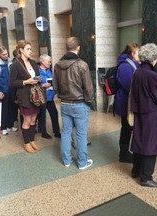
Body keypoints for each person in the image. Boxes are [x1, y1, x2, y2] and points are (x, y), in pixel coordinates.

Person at [130, 43, 157, 187]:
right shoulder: (152, 75)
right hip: (151, 114)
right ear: (153, 58)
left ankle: (136, 170)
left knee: (139, 141)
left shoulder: (137, 72)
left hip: (139, 111)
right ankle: (146, 177)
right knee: (151, 144)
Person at [54, 37, 94, 169]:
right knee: (81, 134)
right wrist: (89, 102)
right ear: (78, 47)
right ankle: (82, 163)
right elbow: (88, 88)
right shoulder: (82, 65)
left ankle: (66, 161)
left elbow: (55, 86)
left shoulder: (57, 65)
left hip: (64, 103)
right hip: (80, 103)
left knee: (65, 132)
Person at [10, 40, 42, 153]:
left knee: (34, 119)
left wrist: (38, 79)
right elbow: (13, 82)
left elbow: (38, 76)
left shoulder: (33, 62)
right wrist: (26, 81)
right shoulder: (16, 65)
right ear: (21, 50)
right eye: (28, 49)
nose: (30, 51)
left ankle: (32, 140)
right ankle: (26, 143)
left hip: (35, 95)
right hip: (24, 96)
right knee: (27, 120)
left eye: (30, 49)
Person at [114, 43, 140, 163]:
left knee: (129, 128)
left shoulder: (133, 64)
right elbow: (129, 85)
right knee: (126, 128)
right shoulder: (125, 66)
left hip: (130, 102)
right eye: (138, 52)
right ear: (132, 53)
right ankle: (123, 154)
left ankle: (127, 152)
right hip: (126, 103)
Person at [0, 46, 18, 135]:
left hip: (12, 89)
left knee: (13, 108)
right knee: (4, 109)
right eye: (4, 54)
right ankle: (4, 127)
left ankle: (10, 125)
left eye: (7, 53)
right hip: (3, 90)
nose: (6, 56)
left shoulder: (10, 62)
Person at [37, 54, 61, 139]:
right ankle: (43, 132)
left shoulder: (48, 70)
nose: (50, 63)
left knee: (54, 113)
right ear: (42, 62)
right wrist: (42, 85)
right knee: (42, 114)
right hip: (42, 96)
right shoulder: (36, 71)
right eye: (49, 61)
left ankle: (57, 131)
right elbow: (34, 81)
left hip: (50, 96)